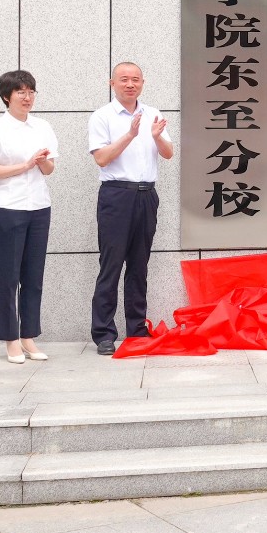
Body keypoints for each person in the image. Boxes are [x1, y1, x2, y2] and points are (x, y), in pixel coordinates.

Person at [89, 62, 172, 356]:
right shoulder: (103, 116)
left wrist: (157, 135)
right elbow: (101, 158)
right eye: (124, 79)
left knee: (139, 266)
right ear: (112, 82)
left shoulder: (153, 114)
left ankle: (136, 329)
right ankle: (104, 333)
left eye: (135, 79)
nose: (130, 84)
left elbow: (169, 153)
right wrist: (130, 135)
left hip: (146, 195)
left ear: (143, 82)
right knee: (111, 266)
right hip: (116, 195)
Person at [0, 70, 59, 364]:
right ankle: (11, 339)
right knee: (8, 276)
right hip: (7, 207)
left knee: (33, 276)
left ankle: (29, 336)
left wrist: (41, 162)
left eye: (31, 92)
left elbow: (50, 169)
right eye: (21, 92)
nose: (27, 98)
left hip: (39, 206)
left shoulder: (43, 126)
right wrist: (25, 165)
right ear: (6, 96)